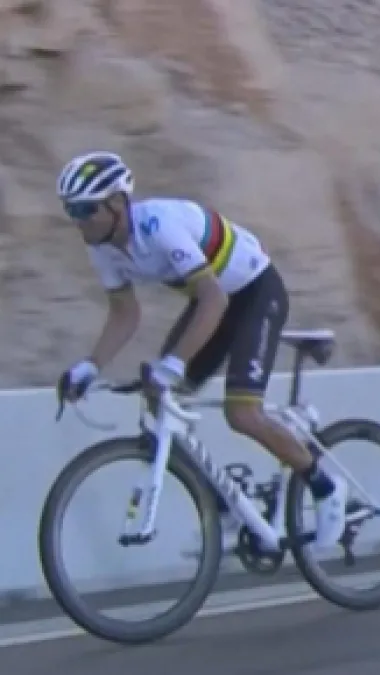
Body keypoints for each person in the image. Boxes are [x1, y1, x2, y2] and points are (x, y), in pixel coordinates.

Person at [53, 150, 348, 548]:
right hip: (212, 300)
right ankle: (223, 506)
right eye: (70, 209)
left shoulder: (159, 225)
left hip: (254, 293)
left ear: (117, 203)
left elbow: (214, 299)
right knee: (160, 401)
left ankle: (326, 487)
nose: (77, 220)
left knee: (241, 413)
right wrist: (90, 366)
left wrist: (174, 365)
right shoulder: (101, 247)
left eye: (85, 209)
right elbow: (125, 313)